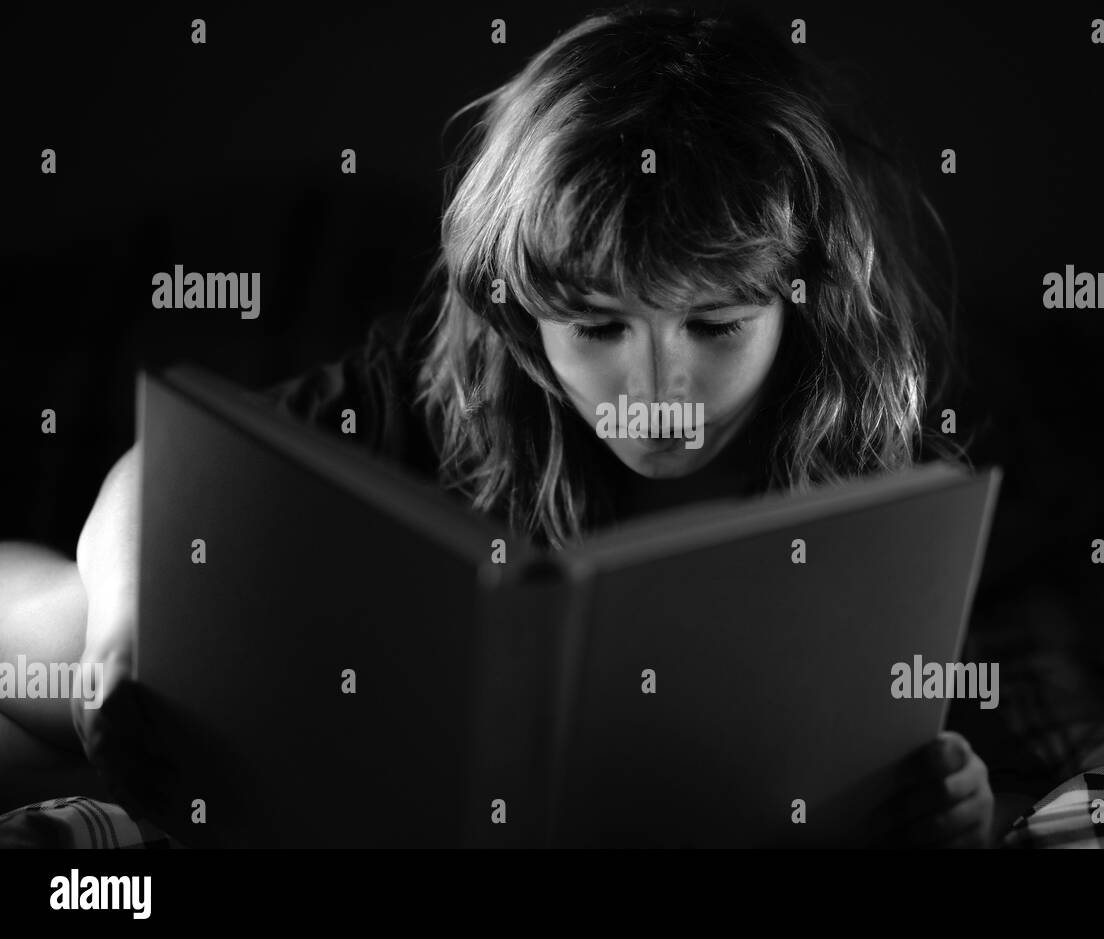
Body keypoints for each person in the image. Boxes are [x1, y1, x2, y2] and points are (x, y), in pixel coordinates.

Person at [1, 4, 998, 847]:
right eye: (598, 327)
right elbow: (164, 479)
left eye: (718, 323)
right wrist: (124, 631)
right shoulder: (434, 389)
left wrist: (953, 799)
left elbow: (878, 752)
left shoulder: (866, 463)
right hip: (335, 721)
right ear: (521, 315)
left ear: (802, 301)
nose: (659, 383)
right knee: (88, 655)